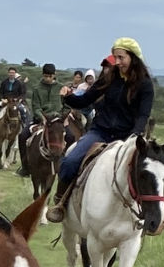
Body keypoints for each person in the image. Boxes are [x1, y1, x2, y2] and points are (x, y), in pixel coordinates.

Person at [47, 36, 154, 222]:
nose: (117, 62)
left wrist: (134, 137)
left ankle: (149, 214)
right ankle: (60, 203)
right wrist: (68, 96)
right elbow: (85, 100)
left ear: (133, 58)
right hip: (100, 132)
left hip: (126, 137)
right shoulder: (109, 78)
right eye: (116, 58)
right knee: (70, 161)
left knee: (148, 171)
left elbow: (143, 116)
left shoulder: (145, 85)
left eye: (121, 58)